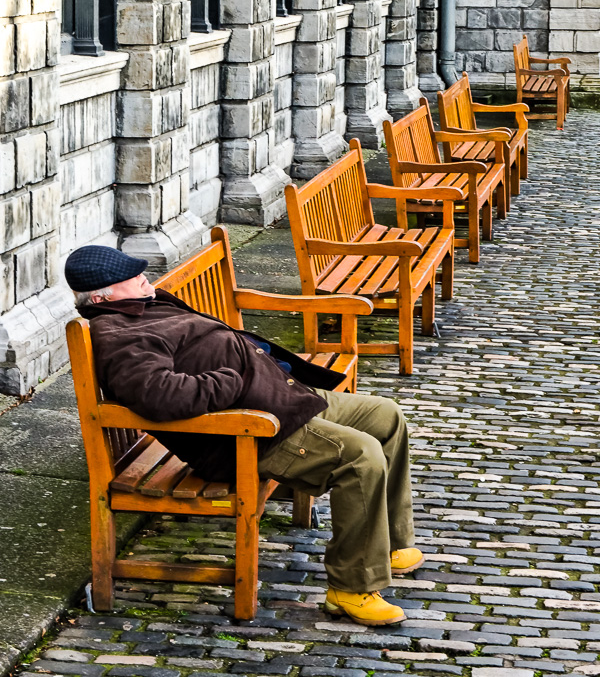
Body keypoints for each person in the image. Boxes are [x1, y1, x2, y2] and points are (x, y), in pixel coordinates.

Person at [65, 244, 424, 627]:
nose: (142, 277)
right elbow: (160, 396)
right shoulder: (119, 334)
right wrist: (230, 381)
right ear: (102, 298)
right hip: (245, 431)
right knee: (361, 456)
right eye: (129, 278)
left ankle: (389, 543)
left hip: (277, 396)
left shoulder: (143, 306)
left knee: (386, 416)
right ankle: (351, 588)